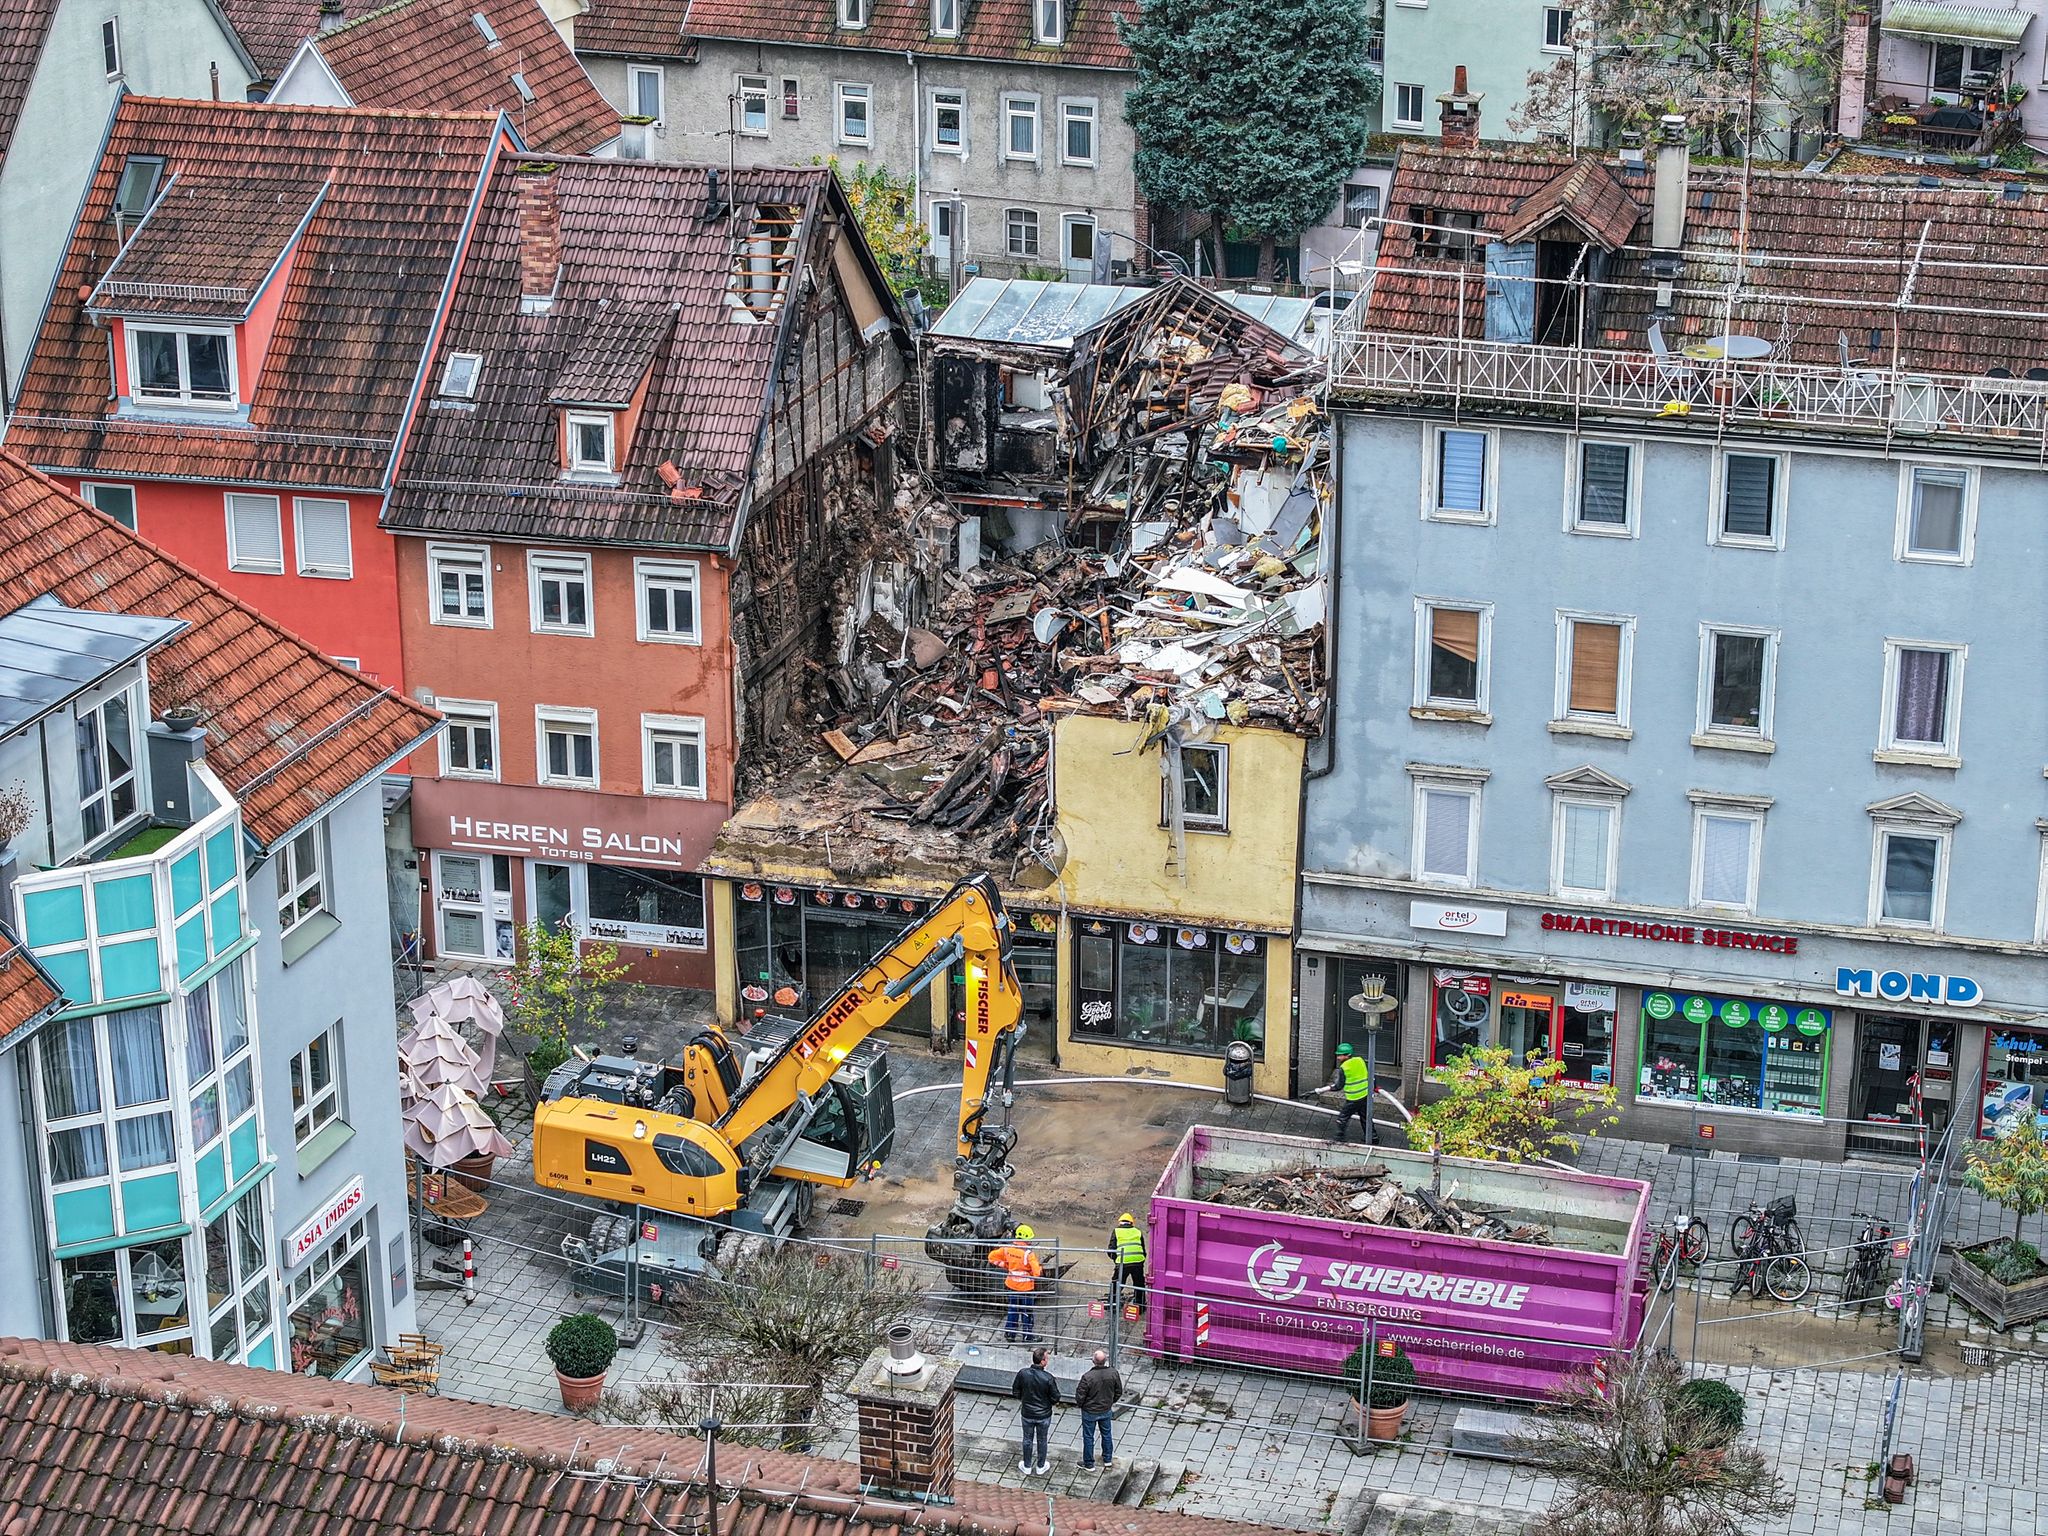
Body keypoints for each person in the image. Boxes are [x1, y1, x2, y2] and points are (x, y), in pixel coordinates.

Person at [988, 1225, 1043, 1342]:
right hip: (1026, 1289)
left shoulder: (1007, 1249)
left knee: (1013, 1309)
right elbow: (1037, 1273)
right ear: (1026, 1239)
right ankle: (1027, 1336)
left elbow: (991, 1257)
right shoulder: (1028, 1254)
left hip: (1011, 1286)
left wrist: (1006, 1265)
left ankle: (1010, 1334)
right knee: (1026, 1312)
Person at [1012, 1345, 1058, 1475]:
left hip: (1027, 1413)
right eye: (1047, 1358)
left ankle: (1027, 1466)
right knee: (1042, 1440)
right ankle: (1040, 1466)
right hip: (1043, 1414)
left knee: (1027, 1439)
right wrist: (1047, 1403)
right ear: (1043, 1361)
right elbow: (1055, 1397)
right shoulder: (1048, 1378)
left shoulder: (1023, 1373)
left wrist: (1024, 1400)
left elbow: (1015, 1391)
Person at [1075, 1348, 1121, 1469]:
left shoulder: (1087, 1377)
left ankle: (1089, 1463)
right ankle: (1107, 1459)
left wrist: (1082, 1405)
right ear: (1105, 1361)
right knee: (1106, 1434)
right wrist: (1111, 1402)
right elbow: (1118, 1391)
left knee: (1088, 1437)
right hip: (1105, 1409)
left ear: (1093, 1361)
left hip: (1090, 1411)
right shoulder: (1113, 1373)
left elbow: (1080, 1396)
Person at [1323, 1042, 1372, 1143]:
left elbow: (1338, 1086)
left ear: (1347, 1055)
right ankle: (1373, 1137)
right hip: (1365, 1095)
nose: (1338, 1058)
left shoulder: (1344, 1068)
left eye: (1340, 1055)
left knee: (1342, 1118)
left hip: (1354, 1098)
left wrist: (1329, 1088)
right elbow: (1368, 1074)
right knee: (1365, 1118)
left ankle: (1338, 1137)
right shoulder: (1360, 1060)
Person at [1107, 1213, 1146, 1315]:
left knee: (1117, 1283)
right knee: (1139, 1284)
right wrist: (1141, 1260)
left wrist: (1116, 1260)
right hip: (1138, 1261)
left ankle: (1112, 1304)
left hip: (1123, 1262)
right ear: (1132, 1223)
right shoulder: (1138, 1232)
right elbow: (1142, 1249)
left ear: (1120, 1222)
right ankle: (1140, 1306)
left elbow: (1111, 1250)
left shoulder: (1117, 1231)